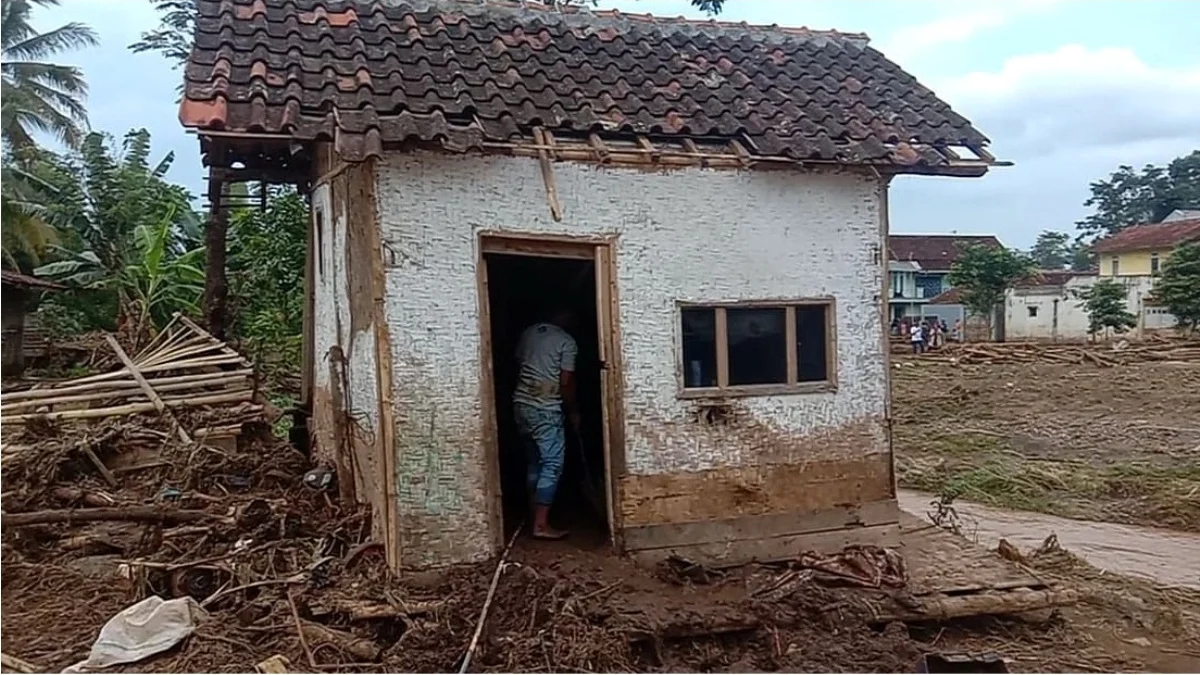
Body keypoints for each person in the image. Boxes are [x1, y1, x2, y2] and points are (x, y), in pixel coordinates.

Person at [513, 306, 579, 540]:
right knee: (552, 464)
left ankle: (534, 516)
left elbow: (520, 362)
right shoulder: (566, 342)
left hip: (521, 405)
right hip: (545, 409)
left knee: (535, 463)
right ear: (564, 316)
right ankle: (540, 525)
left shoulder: (529, 333)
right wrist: (573, 411)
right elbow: (566, 382)